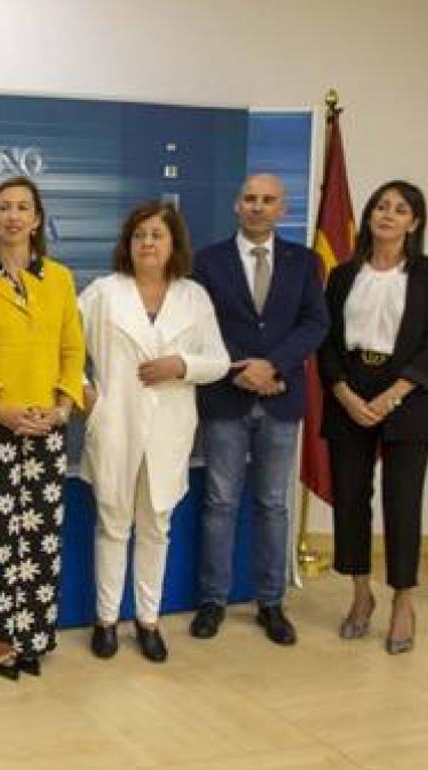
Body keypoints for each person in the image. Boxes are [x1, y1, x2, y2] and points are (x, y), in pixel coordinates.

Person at [79, 202, 229, 663]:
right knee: (112, 524)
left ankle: (148, 621)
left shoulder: (193, 297)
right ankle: (106, 621)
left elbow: (220, 362)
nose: (147, 242)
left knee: (156, 527)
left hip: (169, 429)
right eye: (139, 234)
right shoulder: (104, 292)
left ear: (173, 243)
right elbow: (63, 348)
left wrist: (181, 365)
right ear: (127, 243)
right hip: (116, 423)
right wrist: (88, 397)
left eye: (157, 235)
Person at [0, 176, 84, 679]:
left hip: (47, 424)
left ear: (37, 219)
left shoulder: (61, 278)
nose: (12, 216)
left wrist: (62, 409)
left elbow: (72, 348)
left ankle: (30, 638)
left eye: (22, 207)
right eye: (4, 207)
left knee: (38, 536)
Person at [190, 174, 329, 646]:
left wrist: (273, 366)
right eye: (250, 198)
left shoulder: (304, 262)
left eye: (268, 200)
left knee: (272, 504)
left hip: (281, 398)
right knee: (220, 503)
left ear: (282, 209)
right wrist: (240, 369)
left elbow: (315, 323)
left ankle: (271, 602)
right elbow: (201, 325)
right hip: (226, 395)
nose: (258, 206)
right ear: (237, 204)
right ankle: (213, 601)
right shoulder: (208, 261)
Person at [319, 180, 428, 655]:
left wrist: (394, 394)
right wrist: (343, 393)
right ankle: (361, 593)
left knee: (402, 500)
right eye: (381, 206)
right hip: (349, 391)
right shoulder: (343, 275)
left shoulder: (424, 275)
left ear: (414, 223)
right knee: (350, 498)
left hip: (408, 395)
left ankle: (403, 599)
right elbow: (326, 342)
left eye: (400, 209)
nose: (387, 215)